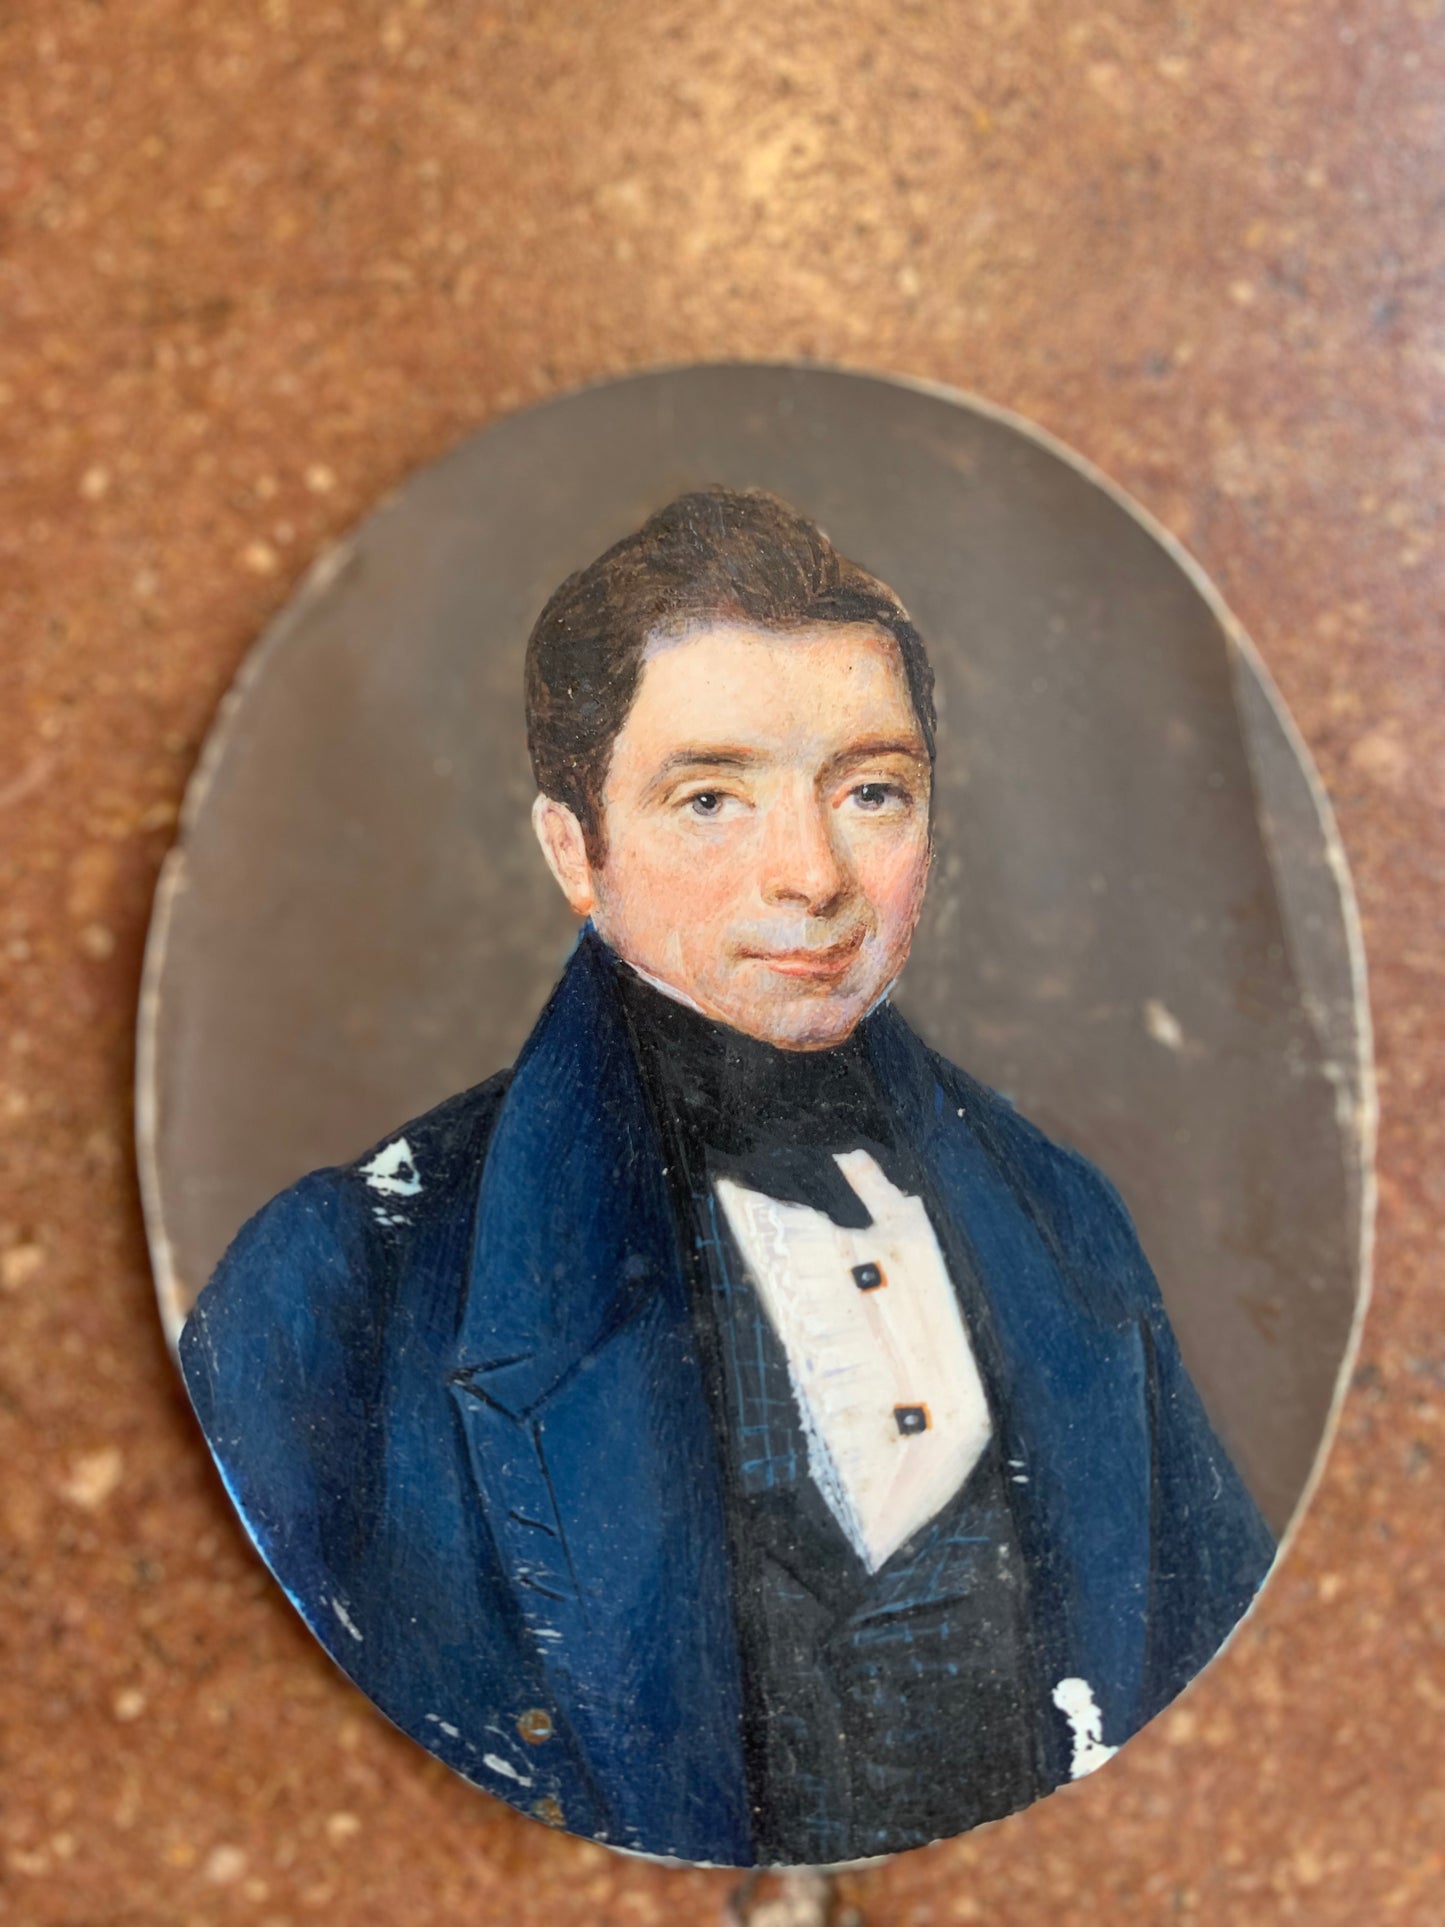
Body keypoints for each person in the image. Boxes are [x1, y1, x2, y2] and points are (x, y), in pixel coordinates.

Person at [180, 487, 1275, 1868]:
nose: (808, 873)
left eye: (869, 791)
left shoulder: (1062, 1221)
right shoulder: (344, 1287)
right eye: (709, 798)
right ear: (573, 850)